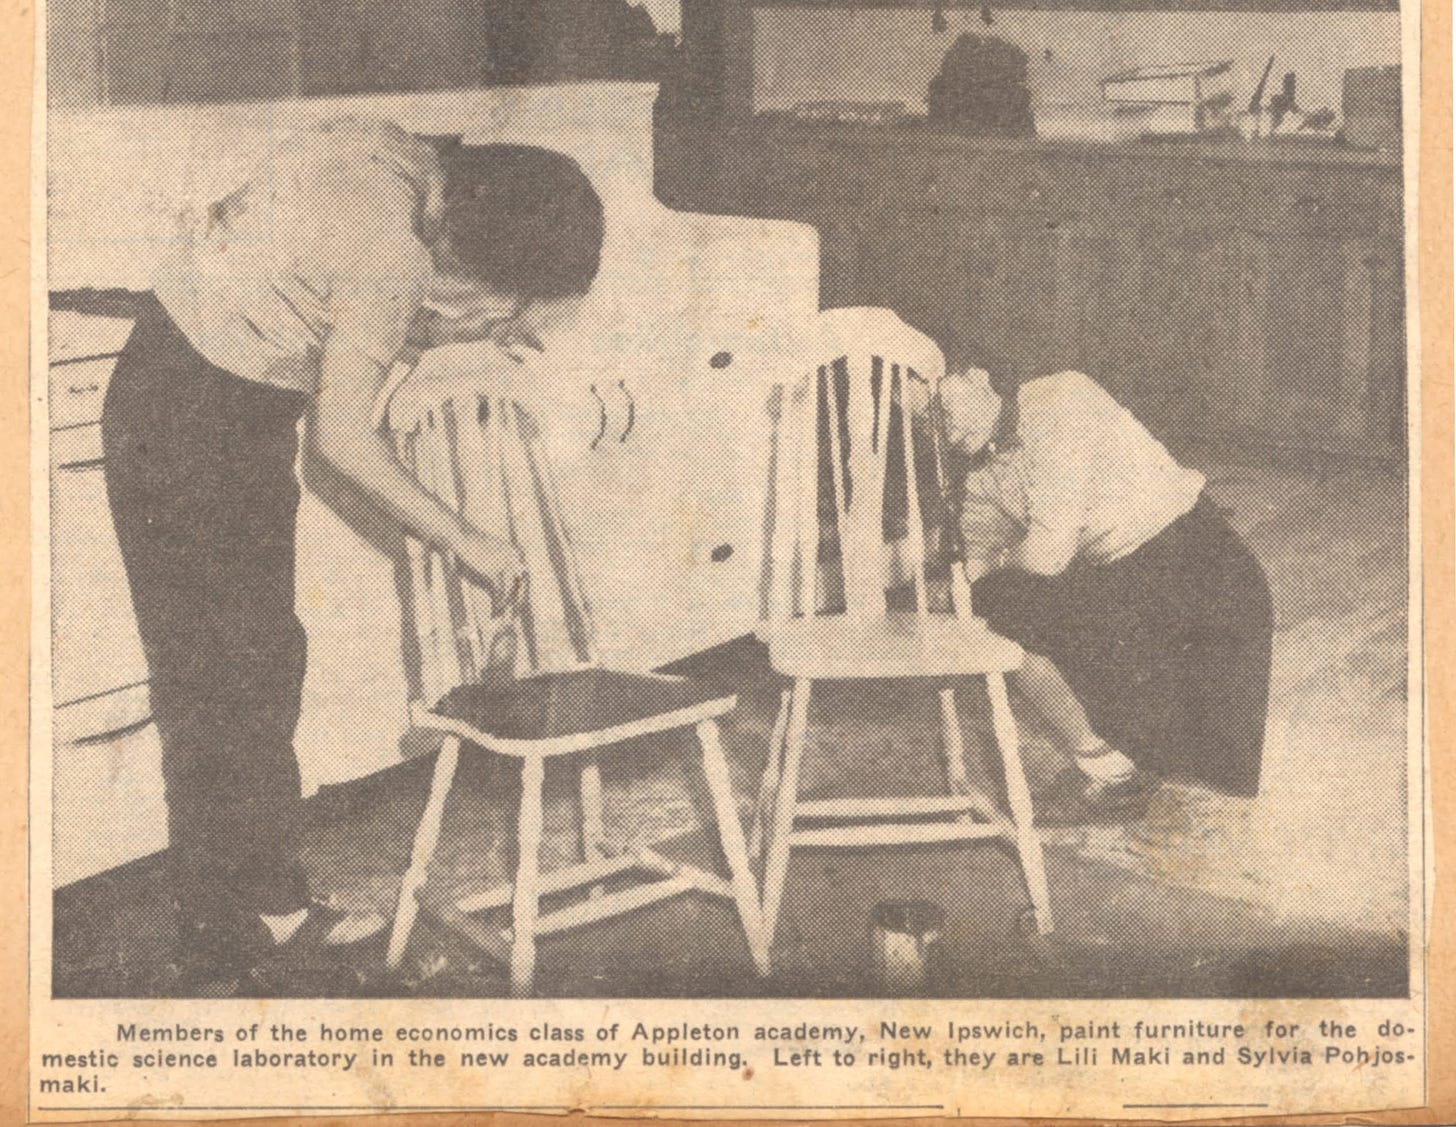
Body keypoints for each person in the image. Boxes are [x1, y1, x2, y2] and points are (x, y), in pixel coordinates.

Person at [100, 117, 605, 994]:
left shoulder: (392, 155)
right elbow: (343, 438)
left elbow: (333, 290)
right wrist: (469, 538)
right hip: (193, 423)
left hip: (195, 392)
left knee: (254, 667)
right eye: (514, 311)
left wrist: (419, 329)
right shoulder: (395, 263)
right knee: (224, 684)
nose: (503, 328)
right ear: (483, 263)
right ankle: (232, 936)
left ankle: (260, 904)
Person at [933, 342, 1274, 825]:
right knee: (993, 601)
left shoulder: (1059, 399)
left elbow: (1047, 556)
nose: (944, 428)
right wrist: (951, 583)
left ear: (978, 377)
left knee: (1207, 771)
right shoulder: (983, 477)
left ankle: (1133, 758)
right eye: (928, 422)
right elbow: (973, 567)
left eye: (943, 403)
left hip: (1203, 577)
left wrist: (996, 561)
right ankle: (1111, 768)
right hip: (1128, 585)